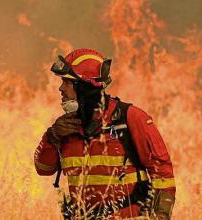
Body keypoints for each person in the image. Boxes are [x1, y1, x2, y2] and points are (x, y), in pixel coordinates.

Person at [34, 48, 176, 219]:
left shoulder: (130, 118)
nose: (60, 88)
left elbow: (162, 170)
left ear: (85, 87)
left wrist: (161, 215)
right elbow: (43, 169)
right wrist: (52, 137)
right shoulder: (65, 128)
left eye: (68, 82)